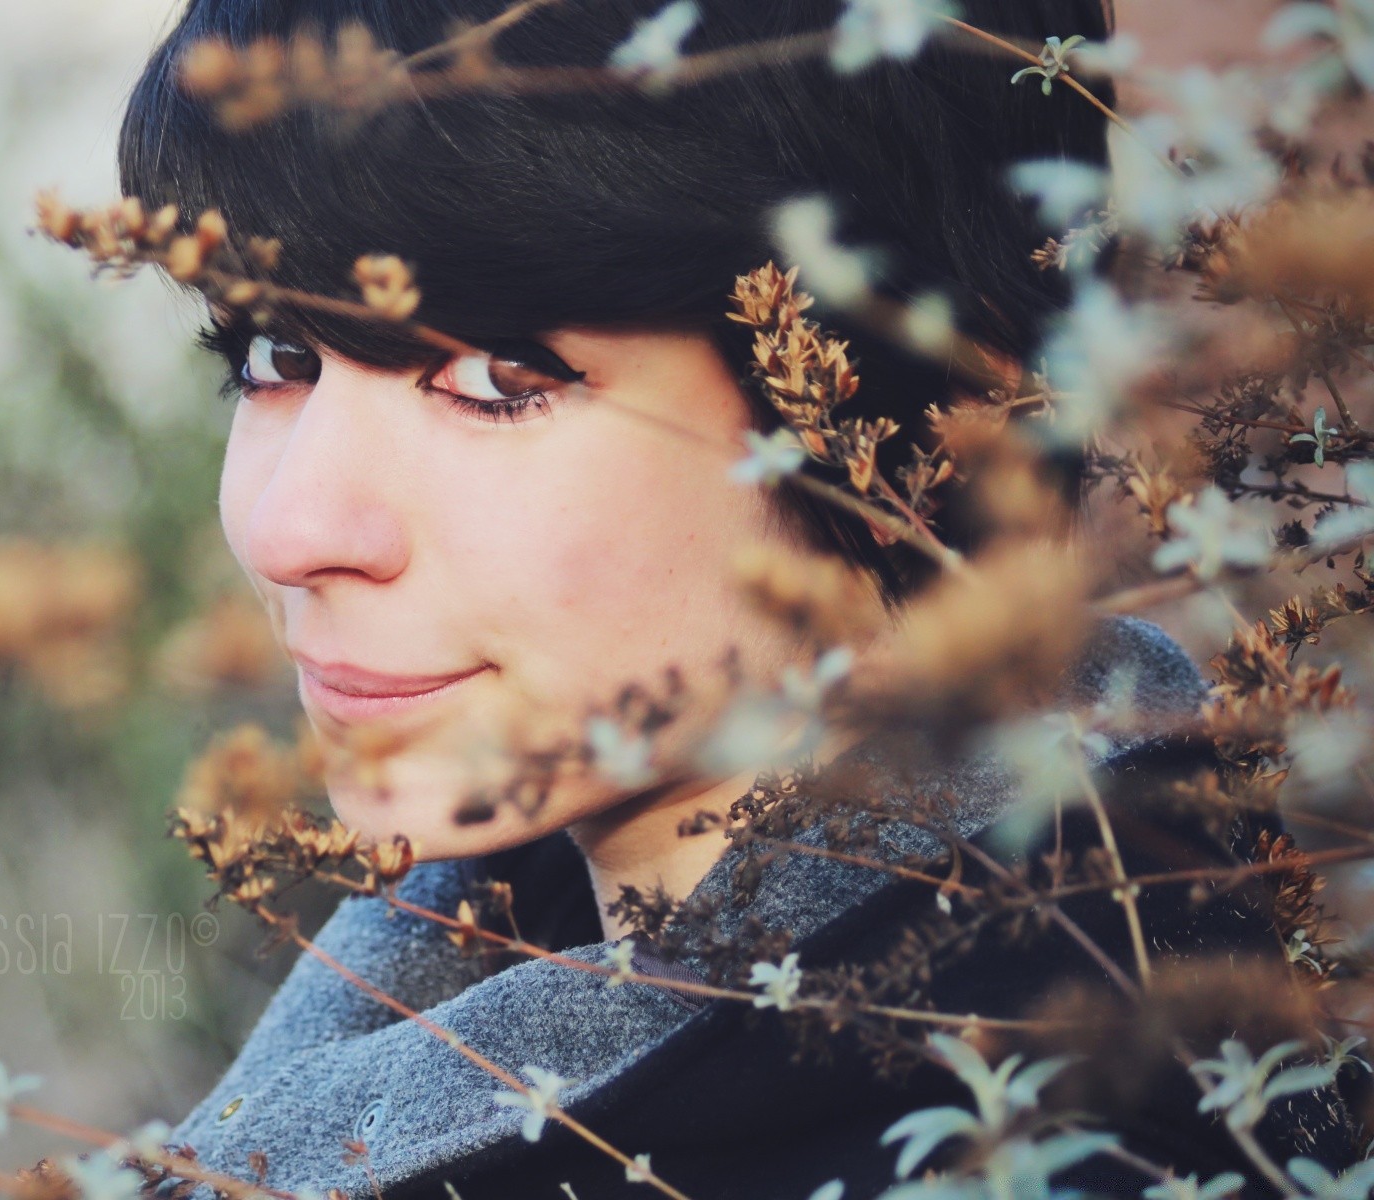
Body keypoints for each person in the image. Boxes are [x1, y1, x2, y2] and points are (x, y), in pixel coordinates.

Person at [101, 1, 1363, 1196]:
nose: (290, 531)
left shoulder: (1038, 1143)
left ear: (938, 387)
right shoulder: (496, 943)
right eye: (273, 358)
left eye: (496, 377)